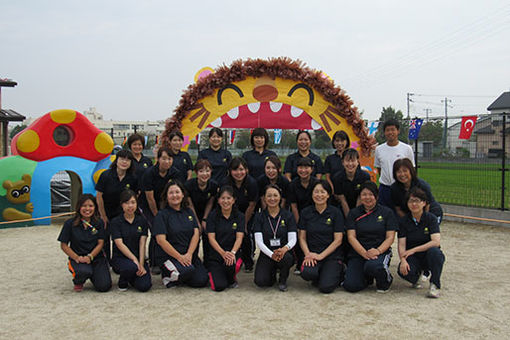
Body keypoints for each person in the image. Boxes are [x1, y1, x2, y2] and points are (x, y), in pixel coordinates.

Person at [343, 181, 397, 293]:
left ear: (376, 196)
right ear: (360, 197)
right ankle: (367, 278)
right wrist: (364, 253)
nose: (367, 197)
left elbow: (390, 237)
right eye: (364, 194)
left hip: (379, 252)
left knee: (374, 266)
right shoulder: (354, 213)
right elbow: (351, 237)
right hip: (359, 253)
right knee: (351, 286)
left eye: (371, 194)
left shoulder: (387, 213)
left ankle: (386, 280)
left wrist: (377, 251)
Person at [153, 180, 208, 288]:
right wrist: (179, 257)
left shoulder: (188, 212)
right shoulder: (162, 215)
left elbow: (196, 233)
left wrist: (189, 254)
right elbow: (161, 240)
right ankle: (168, 276)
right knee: (187, 270)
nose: (175, 195)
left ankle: (182, 275)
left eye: (177, 192)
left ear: (183, 195)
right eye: (171, 193)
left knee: (201, 280)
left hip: (188, 255)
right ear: (166, 196)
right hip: (171, 256)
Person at [397, 187, 445, 298]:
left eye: (417, 201)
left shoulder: (431, 219)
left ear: (424, 203)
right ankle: (416, 277)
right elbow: (401, 244)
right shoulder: (404, 221)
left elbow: (435, 242)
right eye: (410, 201)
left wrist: (414, 249)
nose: (414, 204)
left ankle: (435, 284)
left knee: (436, 253)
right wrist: (403, 260)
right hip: (412, 257)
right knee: (402, 270)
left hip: (428, 254)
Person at [57, 194, 111, 292]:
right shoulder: (70, 223)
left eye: (91, 206)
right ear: (79, 207)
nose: (87, 209)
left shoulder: (99, 223)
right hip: (78, 258)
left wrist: (90, 257)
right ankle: (78, 281)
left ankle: (93, 274)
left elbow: (100, 243)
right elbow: (63, 245)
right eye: (84, 206)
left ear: (95, 207)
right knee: (83, 271)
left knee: (104, 286)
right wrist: (76, 257)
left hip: (95, 258)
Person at [298, 180, 344, 294]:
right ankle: (322, 274)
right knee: (307, 273)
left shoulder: (335, 213)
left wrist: (321, 256)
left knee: (326, 288)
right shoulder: (306, 212)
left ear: (328, 195)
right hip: (312, 254)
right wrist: (308, 254)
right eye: (316, 192)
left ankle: (339, 270)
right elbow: (302, 237)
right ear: (312, 194)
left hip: (331, 255)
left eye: (322, 192)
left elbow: (338, 240)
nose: (319, 195)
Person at [139, 146, 178, 274]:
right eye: (164, 158)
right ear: (158, 159)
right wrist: (157, 216)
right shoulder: (149, 173)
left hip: (165, 205)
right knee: (156, 230)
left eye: (170, 159)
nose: (167, 161)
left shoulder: (174, 173)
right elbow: (150, 199)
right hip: (149, 206)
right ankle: (154, 262)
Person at [96, 149, 138, 260]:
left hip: (122, 214)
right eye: (122, 159)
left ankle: (118, 261)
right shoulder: (106, 175)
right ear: (116, 160)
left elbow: (134, 197)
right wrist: (103, 215)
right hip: (106, 212)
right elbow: (99, 196)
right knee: (105, 238)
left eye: (128, 160)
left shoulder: (132, 178)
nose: (125, 162)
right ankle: (104, 261)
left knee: (120, 238)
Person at [253, 184, 297, 292]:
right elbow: (259, 241)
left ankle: (283, 279)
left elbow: (293, 238)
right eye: (269, 196)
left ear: (280, 197)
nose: (272, 199)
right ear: (264, 198)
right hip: (267, 253)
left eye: (275, 195)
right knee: (261, 281)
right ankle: (271, 273)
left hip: (283, 252)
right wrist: (271, 254)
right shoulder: (259, 216)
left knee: (287, 258)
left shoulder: (288, 215)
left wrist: (284, 249)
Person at [109, 190, 152, 292]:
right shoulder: (116, 222)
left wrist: (141, 263)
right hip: (121, 258)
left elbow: (142, 244)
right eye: (127, 203)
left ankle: (132, 277)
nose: (130, 206)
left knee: (144, 286)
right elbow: (119, 244)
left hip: (138, 257)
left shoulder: (142, 221)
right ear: (122, 205)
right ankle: (123, 281)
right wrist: (135, 260)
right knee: (131, 267)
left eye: (133, 202)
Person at [223, 157, 259, 272]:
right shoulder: (225, 182)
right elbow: (224, 202)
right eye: (235, 170)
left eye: (241, 169)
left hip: (247, 213)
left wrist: (243, 223)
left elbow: (252, 205)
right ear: (230, 171)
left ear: (246, 170)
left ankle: (248, 261)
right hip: (230, 212)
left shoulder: (252, 183)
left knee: (246, 233)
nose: (239, 173)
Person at [206, 186, 244, 291]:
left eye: (228, 198)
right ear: (218, 200)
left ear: (233, 200)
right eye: (222, 198)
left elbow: (239, 238)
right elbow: (211, 238)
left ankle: (231, 278)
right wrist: (223, 253)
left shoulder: (239, 216)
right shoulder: (212, 216)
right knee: (219, 286)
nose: (225, 201)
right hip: (217, 254)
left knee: (232, 265)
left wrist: (232, 253)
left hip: (233, 253)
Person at [287, 157, 319, 274]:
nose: (303, 170)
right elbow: (293, 206)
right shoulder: (293, 185)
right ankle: (299, 262)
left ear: (311, 169)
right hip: (299, 215)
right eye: (301, 167)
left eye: (306, 167)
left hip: (314, 216)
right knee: (299, 234)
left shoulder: (316, 184)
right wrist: (299, 223)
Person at [185, 159, 219, 268]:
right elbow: (190, 205)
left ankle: (208, 263)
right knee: (194, 235)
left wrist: (204, 219)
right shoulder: (189, 185)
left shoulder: (213, 185)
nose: (205, 174)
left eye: (207, 171)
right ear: (196, 172)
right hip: (191, 214)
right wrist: (197, 223)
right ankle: (192, 260)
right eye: (201, 171)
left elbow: (210, 203)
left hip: (207, 214)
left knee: (207, 235)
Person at [374, 119, 414, 208]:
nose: (390, 132)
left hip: (401, 188)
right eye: (387, 130)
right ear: (384, 132)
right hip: (385, 189)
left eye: (393, 129)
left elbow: (412, 170)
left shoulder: (407, 149)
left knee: (401, 214)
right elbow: (379, 168)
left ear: (398, 131)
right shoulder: (379, 149)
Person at [390, 158, 443, 223]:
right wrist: (410, 221)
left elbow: (427, 206)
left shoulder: (422, 185)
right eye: (399, 172)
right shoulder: (394, 188)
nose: (402, 174)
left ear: (411, 171)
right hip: (411, 214)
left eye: (405, 171)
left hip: (430, 212)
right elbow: (398, 209)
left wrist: (422, 222)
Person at [332, 148, 371, 217]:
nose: (350, 164)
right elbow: (342, 199)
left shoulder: (365, 176)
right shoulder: (337, 178)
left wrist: (355, 216)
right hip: (343, 208)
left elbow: (360, 197)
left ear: (358, 162)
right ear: (342, 162)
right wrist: (349, 218)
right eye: (347, 161)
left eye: (353, 161)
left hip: (361, 206)